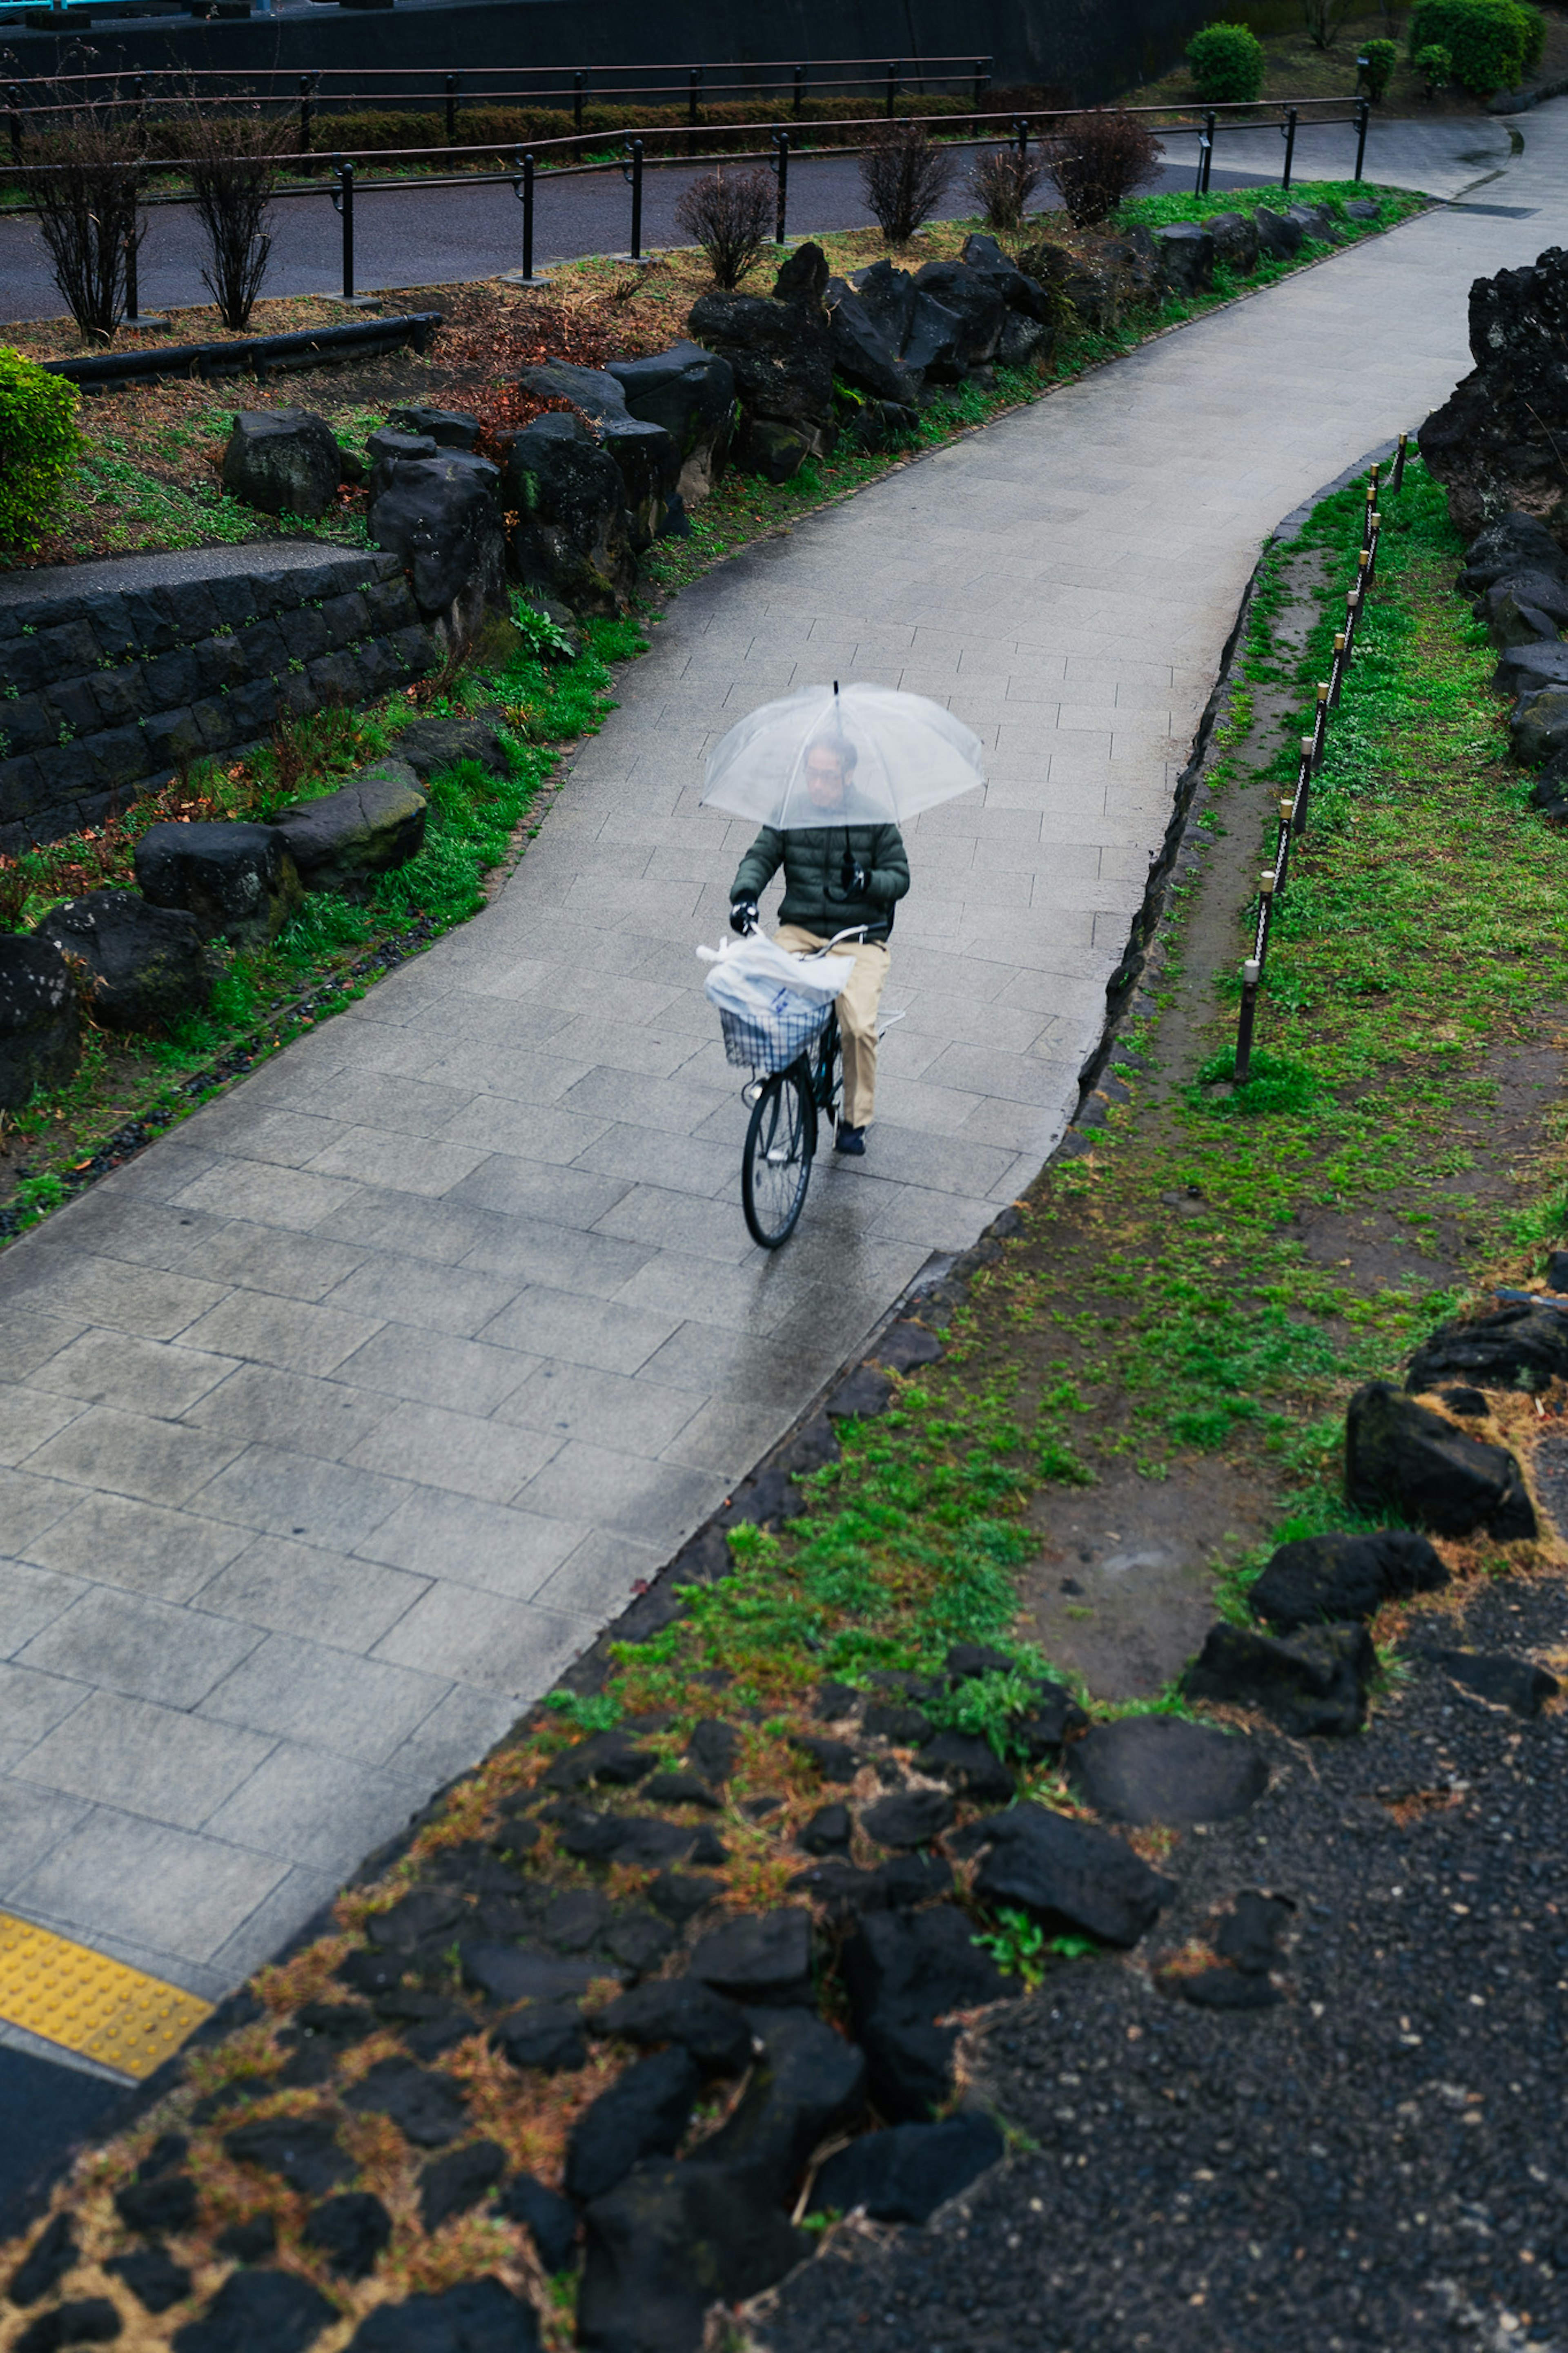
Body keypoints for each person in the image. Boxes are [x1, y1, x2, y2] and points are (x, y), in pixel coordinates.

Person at [728, 734, 909, 1156]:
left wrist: (866, 882)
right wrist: (745, 896)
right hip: (802, 930)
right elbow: (760, 855)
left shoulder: (875, 819)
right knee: (762, 994)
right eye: (812, 774)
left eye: (828, 777)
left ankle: (854, 1119)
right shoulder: (791, 812)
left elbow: (900, 878)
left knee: (859, 1027)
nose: (818, 785)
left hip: (859, 937)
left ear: (848, 775)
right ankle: (777, 1069)